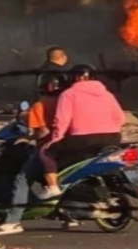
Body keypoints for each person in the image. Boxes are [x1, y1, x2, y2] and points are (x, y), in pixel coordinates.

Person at [0, 72, 65, 236]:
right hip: (68, 147)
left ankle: (13, 221)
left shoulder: (40, 105)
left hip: (47, 150)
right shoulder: (67, 102)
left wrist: (26, 138)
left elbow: (42, 132)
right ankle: (63, 213)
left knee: (22, 179)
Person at [36, 64, 125, 200]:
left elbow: (62, 120)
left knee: (46, 153)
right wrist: (109, 129)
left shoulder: (68, 94)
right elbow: (120, 118)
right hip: (113, 137)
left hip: (83, 138)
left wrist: (55, 139)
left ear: (75, 78)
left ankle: (53, 188)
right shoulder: (107, 94)